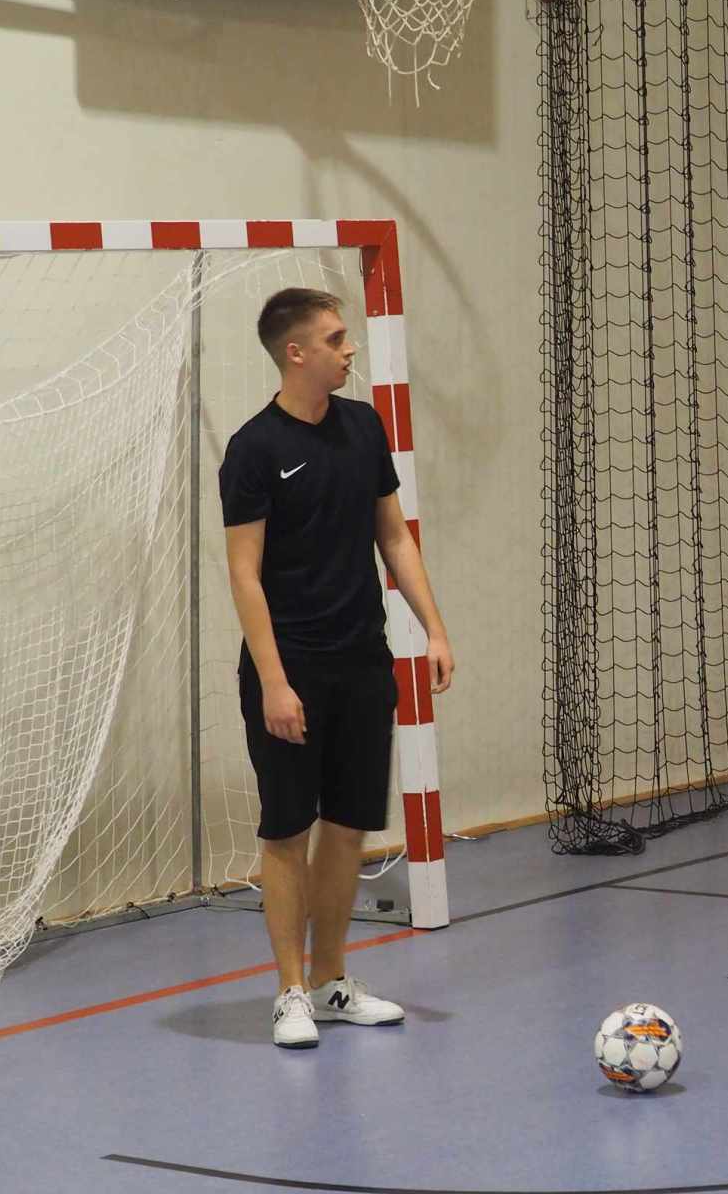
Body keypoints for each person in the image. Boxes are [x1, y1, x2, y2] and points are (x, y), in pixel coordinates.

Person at [219, 287, 453, 1048]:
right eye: (335, 339)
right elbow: (245, 573)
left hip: (362, 664)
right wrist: (275, 682)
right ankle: (290, 992)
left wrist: (433, 628)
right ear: (297, 353)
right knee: (288, 830)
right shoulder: (254, 449)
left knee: (348, 828)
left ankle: (330, 982)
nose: (349, 349)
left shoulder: (363, 426)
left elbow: (394, 535)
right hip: (290, 669)